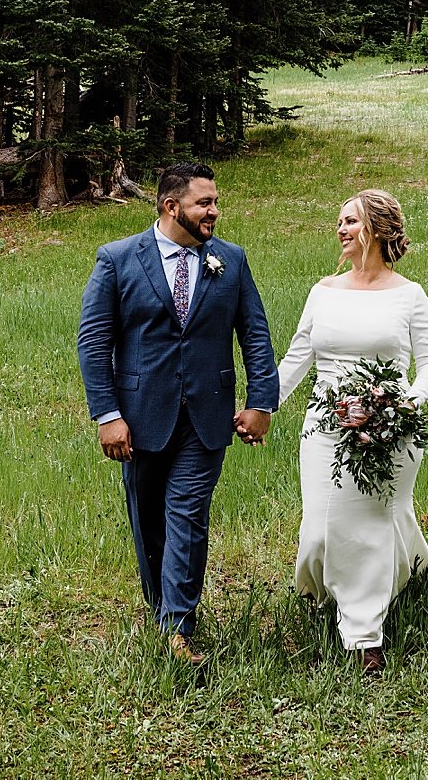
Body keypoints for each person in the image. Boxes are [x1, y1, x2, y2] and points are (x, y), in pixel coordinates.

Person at [77, 161, 279, 664]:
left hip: (207, 416)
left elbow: (254, 333)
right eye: (203, 203)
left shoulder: (230, 260)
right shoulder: (118, 259)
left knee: (188, 514)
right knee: (148, 521)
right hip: (140, 417)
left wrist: (260, 402)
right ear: (171, 207)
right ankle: (160, 606)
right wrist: (107, 414)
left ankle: (177, 627)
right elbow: (94, 341)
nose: (214, 211)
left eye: (214, 202)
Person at [273, 188, 428, 673]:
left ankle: (365, 636)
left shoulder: (410, 296)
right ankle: (352, 584)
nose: (341, 229)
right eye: (340, 221)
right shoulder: (323, 290)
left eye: (351, 221)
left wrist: (399, 405)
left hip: (388, 429)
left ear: (377, 229)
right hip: (324, 427)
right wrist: (262, 407)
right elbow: (298, 357)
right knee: (319, 531)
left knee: (365, 529)